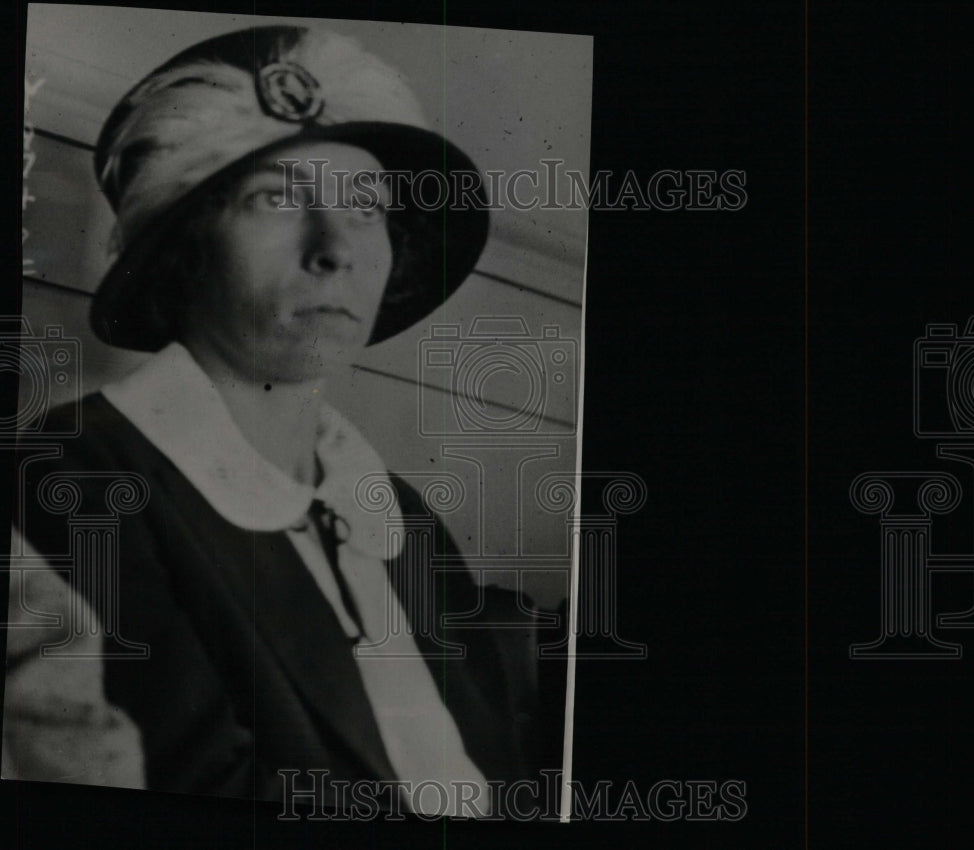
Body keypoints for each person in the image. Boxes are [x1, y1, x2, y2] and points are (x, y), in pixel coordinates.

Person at [3, 26, 564, 817]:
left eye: (365, 207)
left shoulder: (399, 517)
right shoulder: (69, 480)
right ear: (185, 248)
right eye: (278, 198)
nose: (335, 248)